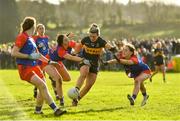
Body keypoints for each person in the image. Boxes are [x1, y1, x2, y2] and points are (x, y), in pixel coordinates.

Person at [11, 16, 66, 115]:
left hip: (34, 67)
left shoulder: (31, 39)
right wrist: (28, 56)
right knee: (42, 85)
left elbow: (38, 55)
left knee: (42, 88)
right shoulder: (22, 36)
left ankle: (37, 110)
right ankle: (56, 109)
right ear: (33, 26)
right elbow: (14, 53)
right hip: (25, 68)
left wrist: (49, 62)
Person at [70, 23, 117, 106]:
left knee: (89, 85)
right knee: (84, 72)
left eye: (94, 36)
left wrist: (113, 49)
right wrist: (74, 53)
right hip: (85, 59)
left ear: (98, 35)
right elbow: (78, 47)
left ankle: (76, 99)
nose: (92, 38)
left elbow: (109, 46)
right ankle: (76, 90)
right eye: (90, 36)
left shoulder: (101, 41)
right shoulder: (85, 39)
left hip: (95, 63)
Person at [49, 33, 91, 105]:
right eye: (66, 39)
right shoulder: (60, 50)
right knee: (59, 80)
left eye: (67, 38)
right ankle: (61, 100)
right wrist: (82, 60)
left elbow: (78, 46)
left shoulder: (69, 43)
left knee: (67, 79)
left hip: (58, 62)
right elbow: (71, 57)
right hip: (50, 62)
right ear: (62, 43)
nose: (68, 40)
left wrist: (87, 48)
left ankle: (53, 79)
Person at [32, 24, 62, 105]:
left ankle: (56, 95)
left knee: (53, 77)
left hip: (47, 60)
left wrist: (51, 50)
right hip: (39, 61)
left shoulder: (46, 38)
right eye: (40, 28)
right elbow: (34, 49)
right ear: (37, 30)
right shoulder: (35, 38)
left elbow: (47, 47)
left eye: (43, 28)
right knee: (41, 78)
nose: (42, 30)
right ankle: (36, 91)